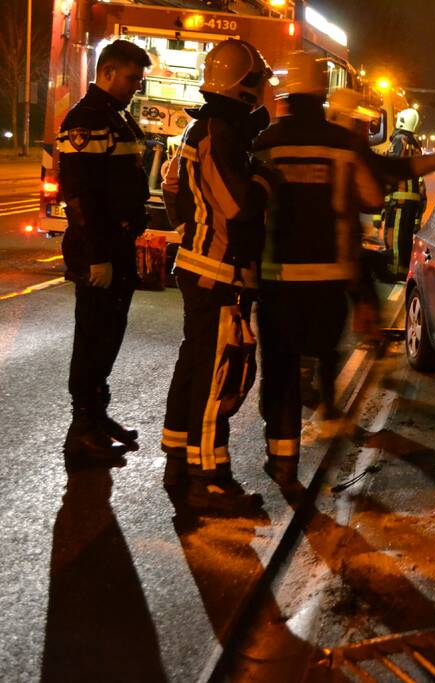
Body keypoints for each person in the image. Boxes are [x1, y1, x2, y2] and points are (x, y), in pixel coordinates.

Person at [252, 52, 386, 483]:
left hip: (276, 276)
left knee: (280, 366)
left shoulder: (265, 141)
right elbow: (372, 198)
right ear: (323, 93)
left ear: (286, 94)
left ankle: (281, 457)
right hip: (329, 276)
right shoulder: (342, 144)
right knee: (326, 350)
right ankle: (322, 414)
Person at [160, 38, 273, 511]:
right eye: (260, 82)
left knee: (195, 366)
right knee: (216, 376)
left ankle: (178, 459)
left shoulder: (203, 128)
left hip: (201, 265)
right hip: (218, 273)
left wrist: (193, 230)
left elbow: (170, 187)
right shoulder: (220, 132)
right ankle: (208, 479)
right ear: (246, 85)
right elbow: (238, 204)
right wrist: (265, 179)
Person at [58, 40, 151, 461]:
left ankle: (97, 416)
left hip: (117, 244)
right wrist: (98, 256)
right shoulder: (86, 120)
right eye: (132, 78)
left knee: (109, 334)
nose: (136, 86)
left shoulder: (115, 116)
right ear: (108, 72)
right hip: (99, 249)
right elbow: (80, 197)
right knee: (93, 337)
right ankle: (82, 429)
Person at [382, 108, 427, 279]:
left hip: (399, 199)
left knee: (394, 237)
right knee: (405, 238)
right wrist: (419, 208)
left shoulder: (399, 140)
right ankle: (402, 271)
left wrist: (384, 196)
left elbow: (391, 169)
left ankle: (393, 271)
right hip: (412, 200)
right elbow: (420, 179)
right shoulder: (416, 146)